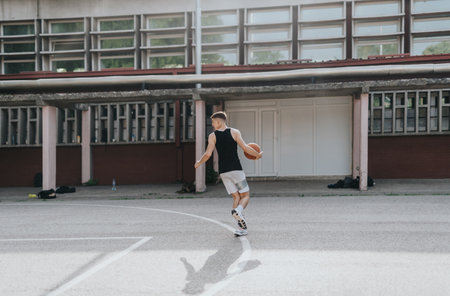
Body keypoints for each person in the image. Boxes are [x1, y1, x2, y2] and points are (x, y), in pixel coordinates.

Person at [194, 111, 263, 236]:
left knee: (236, 197)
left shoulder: (212, 136)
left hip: (224, 172)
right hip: (236, 170)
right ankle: (238, 211)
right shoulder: (235, 132)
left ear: (219, 121)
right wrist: (257, 155)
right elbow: (246, 148)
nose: (213, 125)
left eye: (214, 122)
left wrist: (199, 162)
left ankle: (240, 228)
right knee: (246, 195)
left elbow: (208, 154)